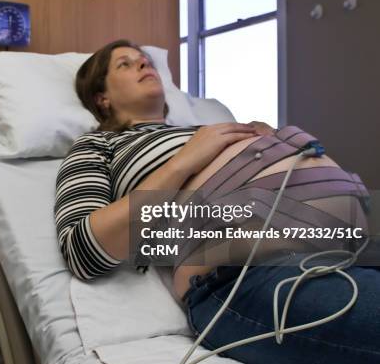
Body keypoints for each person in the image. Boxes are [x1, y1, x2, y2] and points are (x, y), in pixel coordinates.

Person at [54, 39, 380, 363]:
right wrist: (184, 161)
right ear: (103, 98)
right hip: (242, 277)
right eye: (125, 64)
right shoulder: (99, 146)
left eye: (145, 60)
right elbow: (82, 251)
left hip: (347, 249)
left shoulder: (207, 127)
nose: (144, 64)